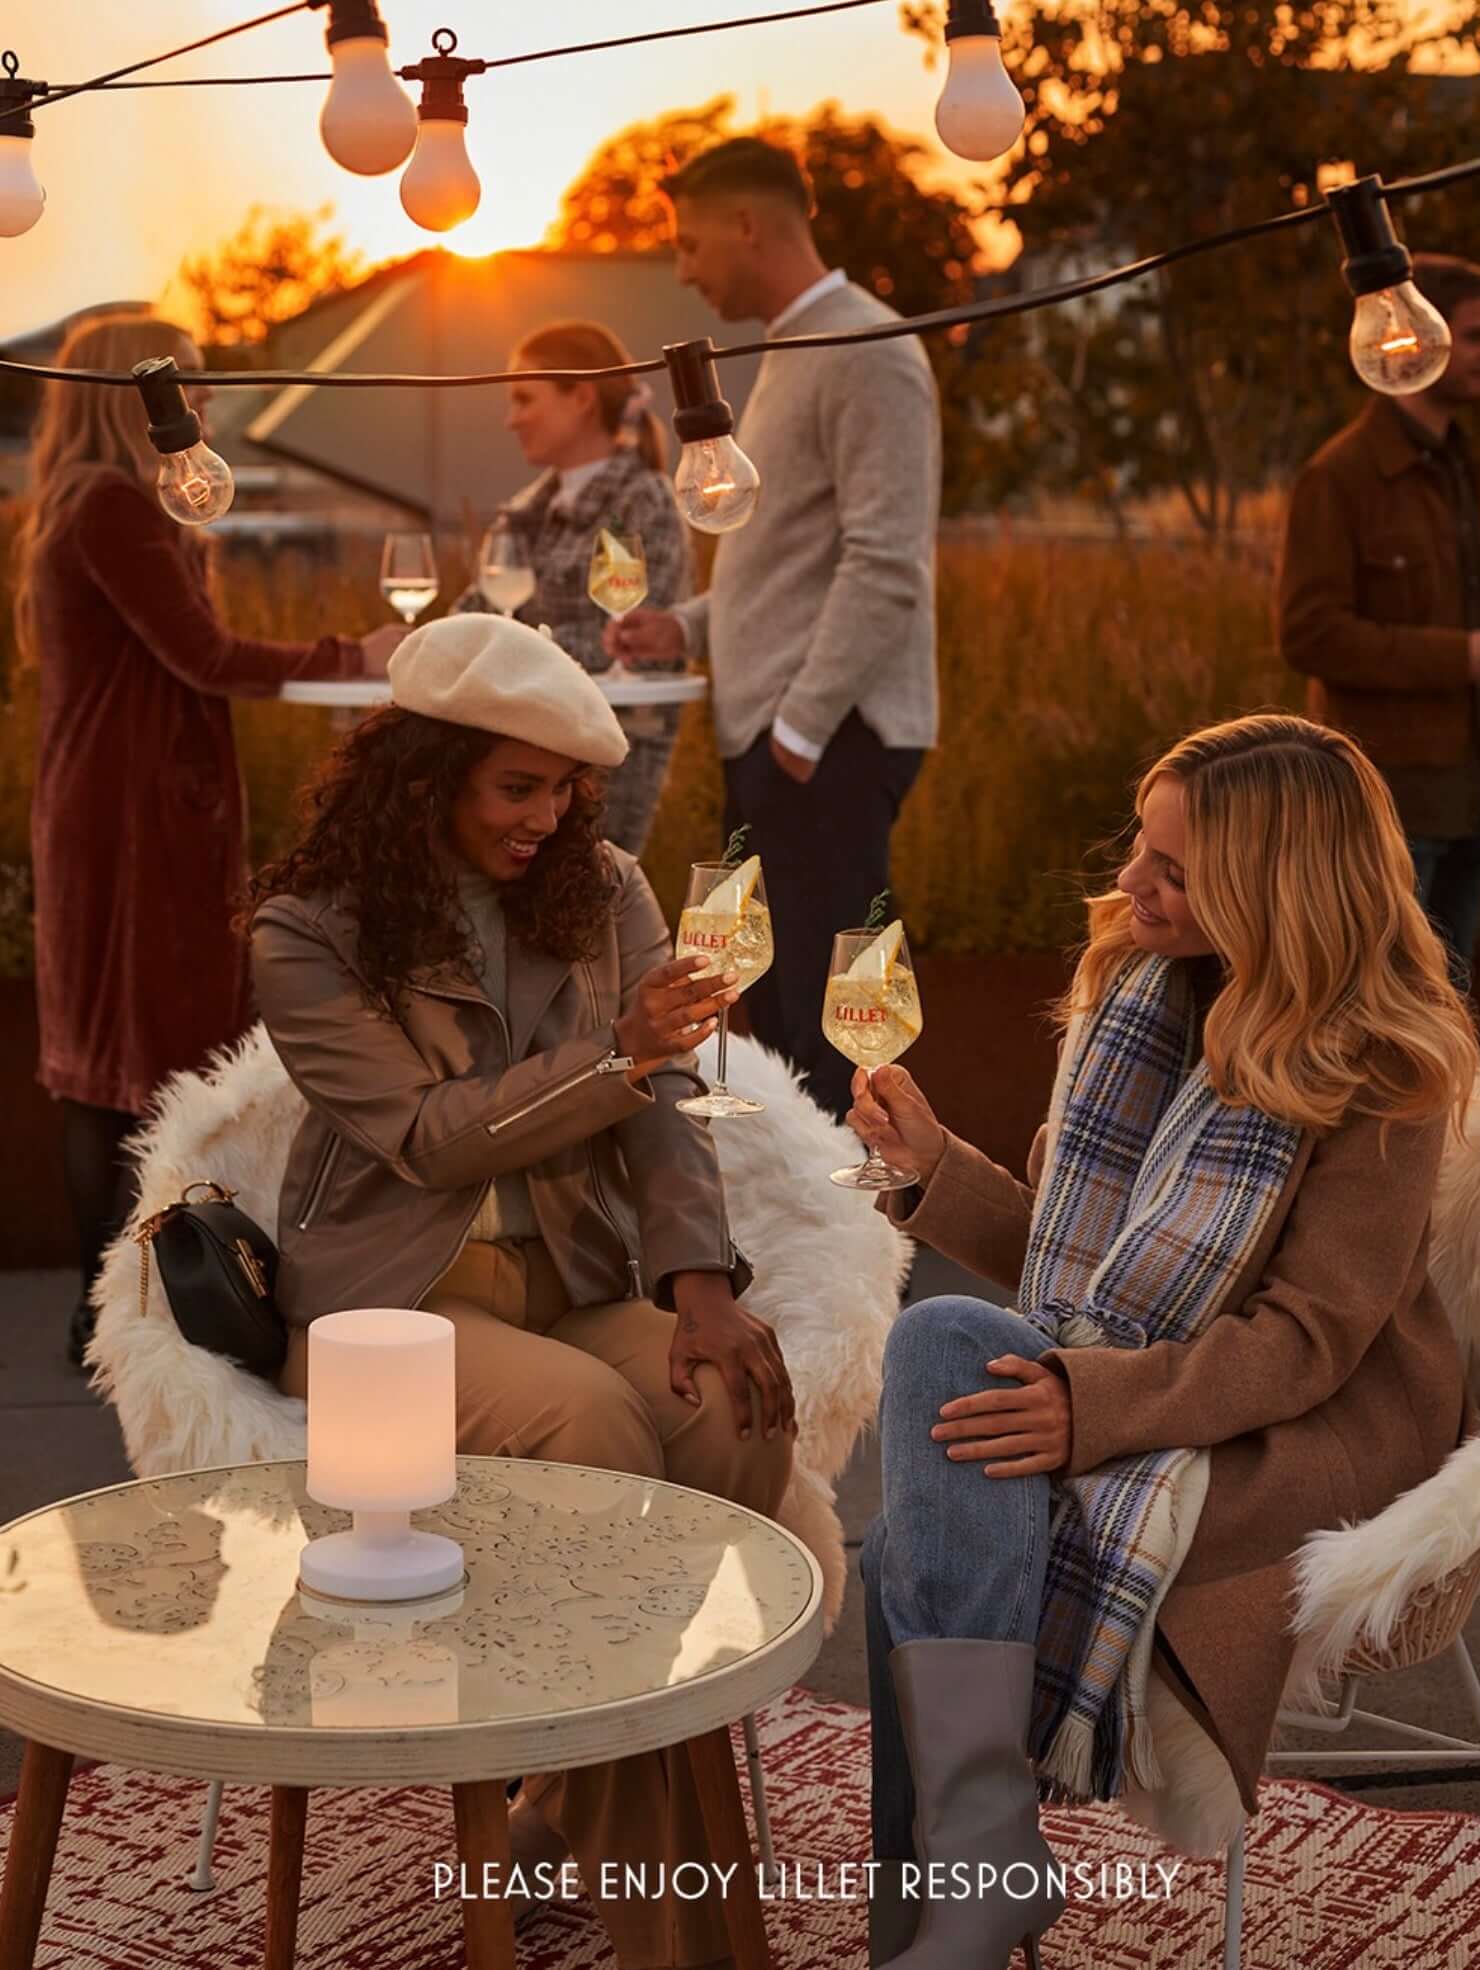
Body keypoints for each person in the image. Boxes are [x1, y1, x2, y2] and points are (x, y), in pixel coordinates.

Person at [847, 714, 1478, 1970]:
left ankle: (952, 1897)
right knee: (945, 1357)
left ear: (1272, 889)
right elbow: (1090, 1268)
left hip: (1304, 1428)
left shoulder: (1383, 1065)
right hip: (1153, 1374)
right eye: (1142, 846)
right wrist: (934, 1171)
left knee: (913, 1521)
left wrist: (1090, 1405)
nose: (1131, 882)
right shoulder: (1143, 997)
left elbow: (1302, 1341)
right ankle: (968, 1883)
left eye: (1173, 870)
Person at [246, 614, 795, 1970]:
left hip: (572, 1275)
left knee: (733, 1399)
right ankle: (681, 1942)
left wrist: (700, 1282)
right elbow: (431, 1138)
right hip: (390, 1308)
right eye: (515, 787)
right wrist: (613, 1055)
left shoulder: (601, 887)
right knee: (594, 1429)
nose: (547, 819)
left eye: (563, 788)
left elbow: (664, 1096)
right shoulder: (307, 929)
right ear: (423, 774)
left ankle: (562, 1781)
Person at [13, 309, 401, 1368]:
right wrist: (352, 653)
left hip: (120, 804)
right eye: (184, 386)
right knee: (126, 1059)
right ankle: (117, 1310)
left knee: (113, 1057)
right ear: (130, 395)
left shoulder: (96, 503)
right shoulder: (111, 508)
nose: (204, 406)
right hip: (135, 816)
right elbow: (203, 653)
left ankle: (118, 1307)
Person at [607, 138, 940, 1120]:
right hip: (776, 736)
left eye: (689, 241)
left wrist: (798, 730)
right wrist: (687, 625)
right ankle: (820, 1236)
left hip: (823, 739)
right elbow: (791, 560)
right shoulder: (791, 350)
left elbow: (885, 560)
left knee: (840, 1022)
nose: (682, 268)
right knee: (758, 994)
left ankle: (868, 1249)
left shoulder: (868, 349)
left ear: (748, 224)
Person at [1279, 253, 1480, 982]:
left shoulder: (1463, 466)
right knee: (1376, 1019)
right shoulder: (1340, 477)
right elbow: (1309, 632)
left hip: (1477, 795)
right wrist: (1456, 657)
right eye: (1476, 337)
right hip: (1391, 812)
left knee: (1446, 1019)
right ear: (1419, 339)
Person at [455, 320, 692, 857]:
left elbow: (634, 648)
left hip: (604, 758)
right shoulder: (524, 514)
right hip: (509, 756)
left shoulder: (644, 502)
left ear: (581, 397)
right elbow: (469, 617)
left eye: (523, 399)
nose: (510, 419)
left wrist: (503, 652)